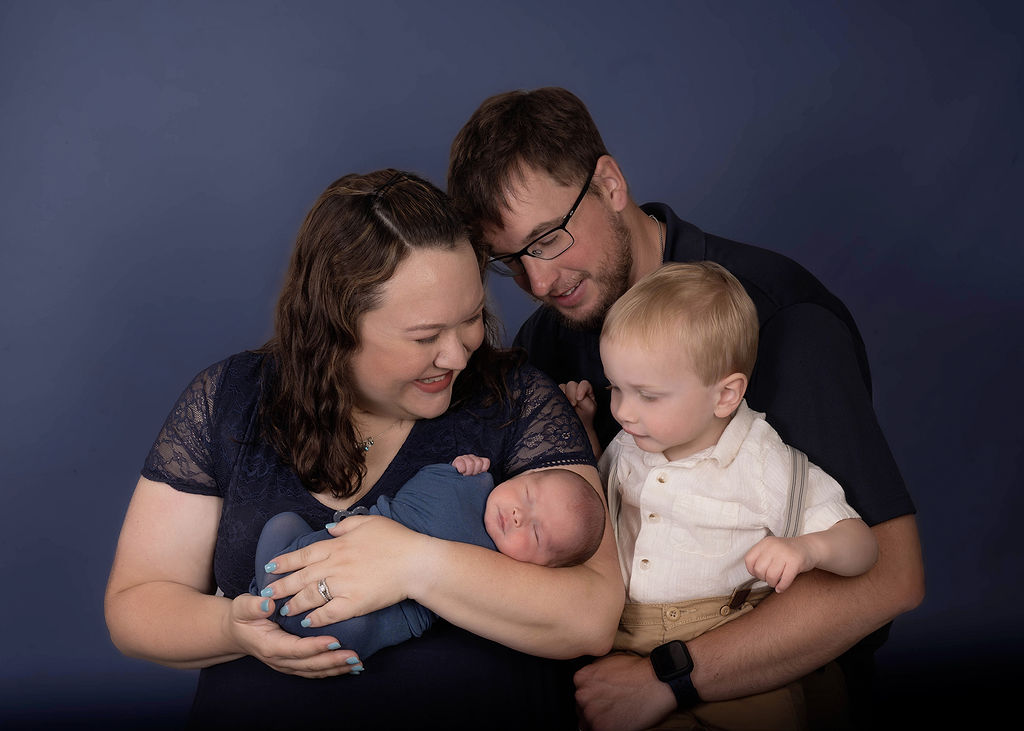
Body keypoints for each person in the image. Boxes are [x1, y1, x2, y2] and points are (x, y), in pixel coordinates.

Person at [448, 87, 924, 729]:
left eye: (550, 239)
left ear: (610, 184)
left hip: (770, 674)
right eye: (510, 262)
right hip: (605, 651)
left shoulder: (781, 321)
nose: (538, 283)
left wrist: (671, 677)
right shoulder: (548, 341)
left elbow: (891, 576)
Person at [104, 169, 624, 729]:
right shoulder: (230, 402)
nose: (458, 354)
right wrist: (233, 628)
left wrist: (416, 564)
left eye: (471, 317)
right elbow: (137, 604)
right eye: (425, 337)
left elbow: (590, 615)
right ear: (336, 328)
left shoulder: (516, 400)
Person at [573, 262, 879, 727]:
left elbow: (863, 548)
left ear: (725, 395)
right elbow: (598, 504)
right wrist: (586, 438)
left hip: (726, 643)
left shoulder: (760, 461)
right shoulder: (629, 444)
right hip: (626, 639)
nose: (624, 411)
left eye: (647, 395)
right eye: (616, 387)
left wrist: (807, 548)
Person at [250, 455, 606, 660]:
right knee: (282, 525)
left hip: (364, 617)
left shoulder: (505, 572)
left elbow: (577, 619)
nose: (518, 515)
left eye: (536, 532)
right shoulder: (476, 481)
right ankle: (262, 593)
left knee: (351, 627)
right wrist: (464, 465)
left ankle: (267, 600)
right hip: (313, 553)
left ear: (542, 568)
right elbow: (426, 482)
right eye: (528, 493)